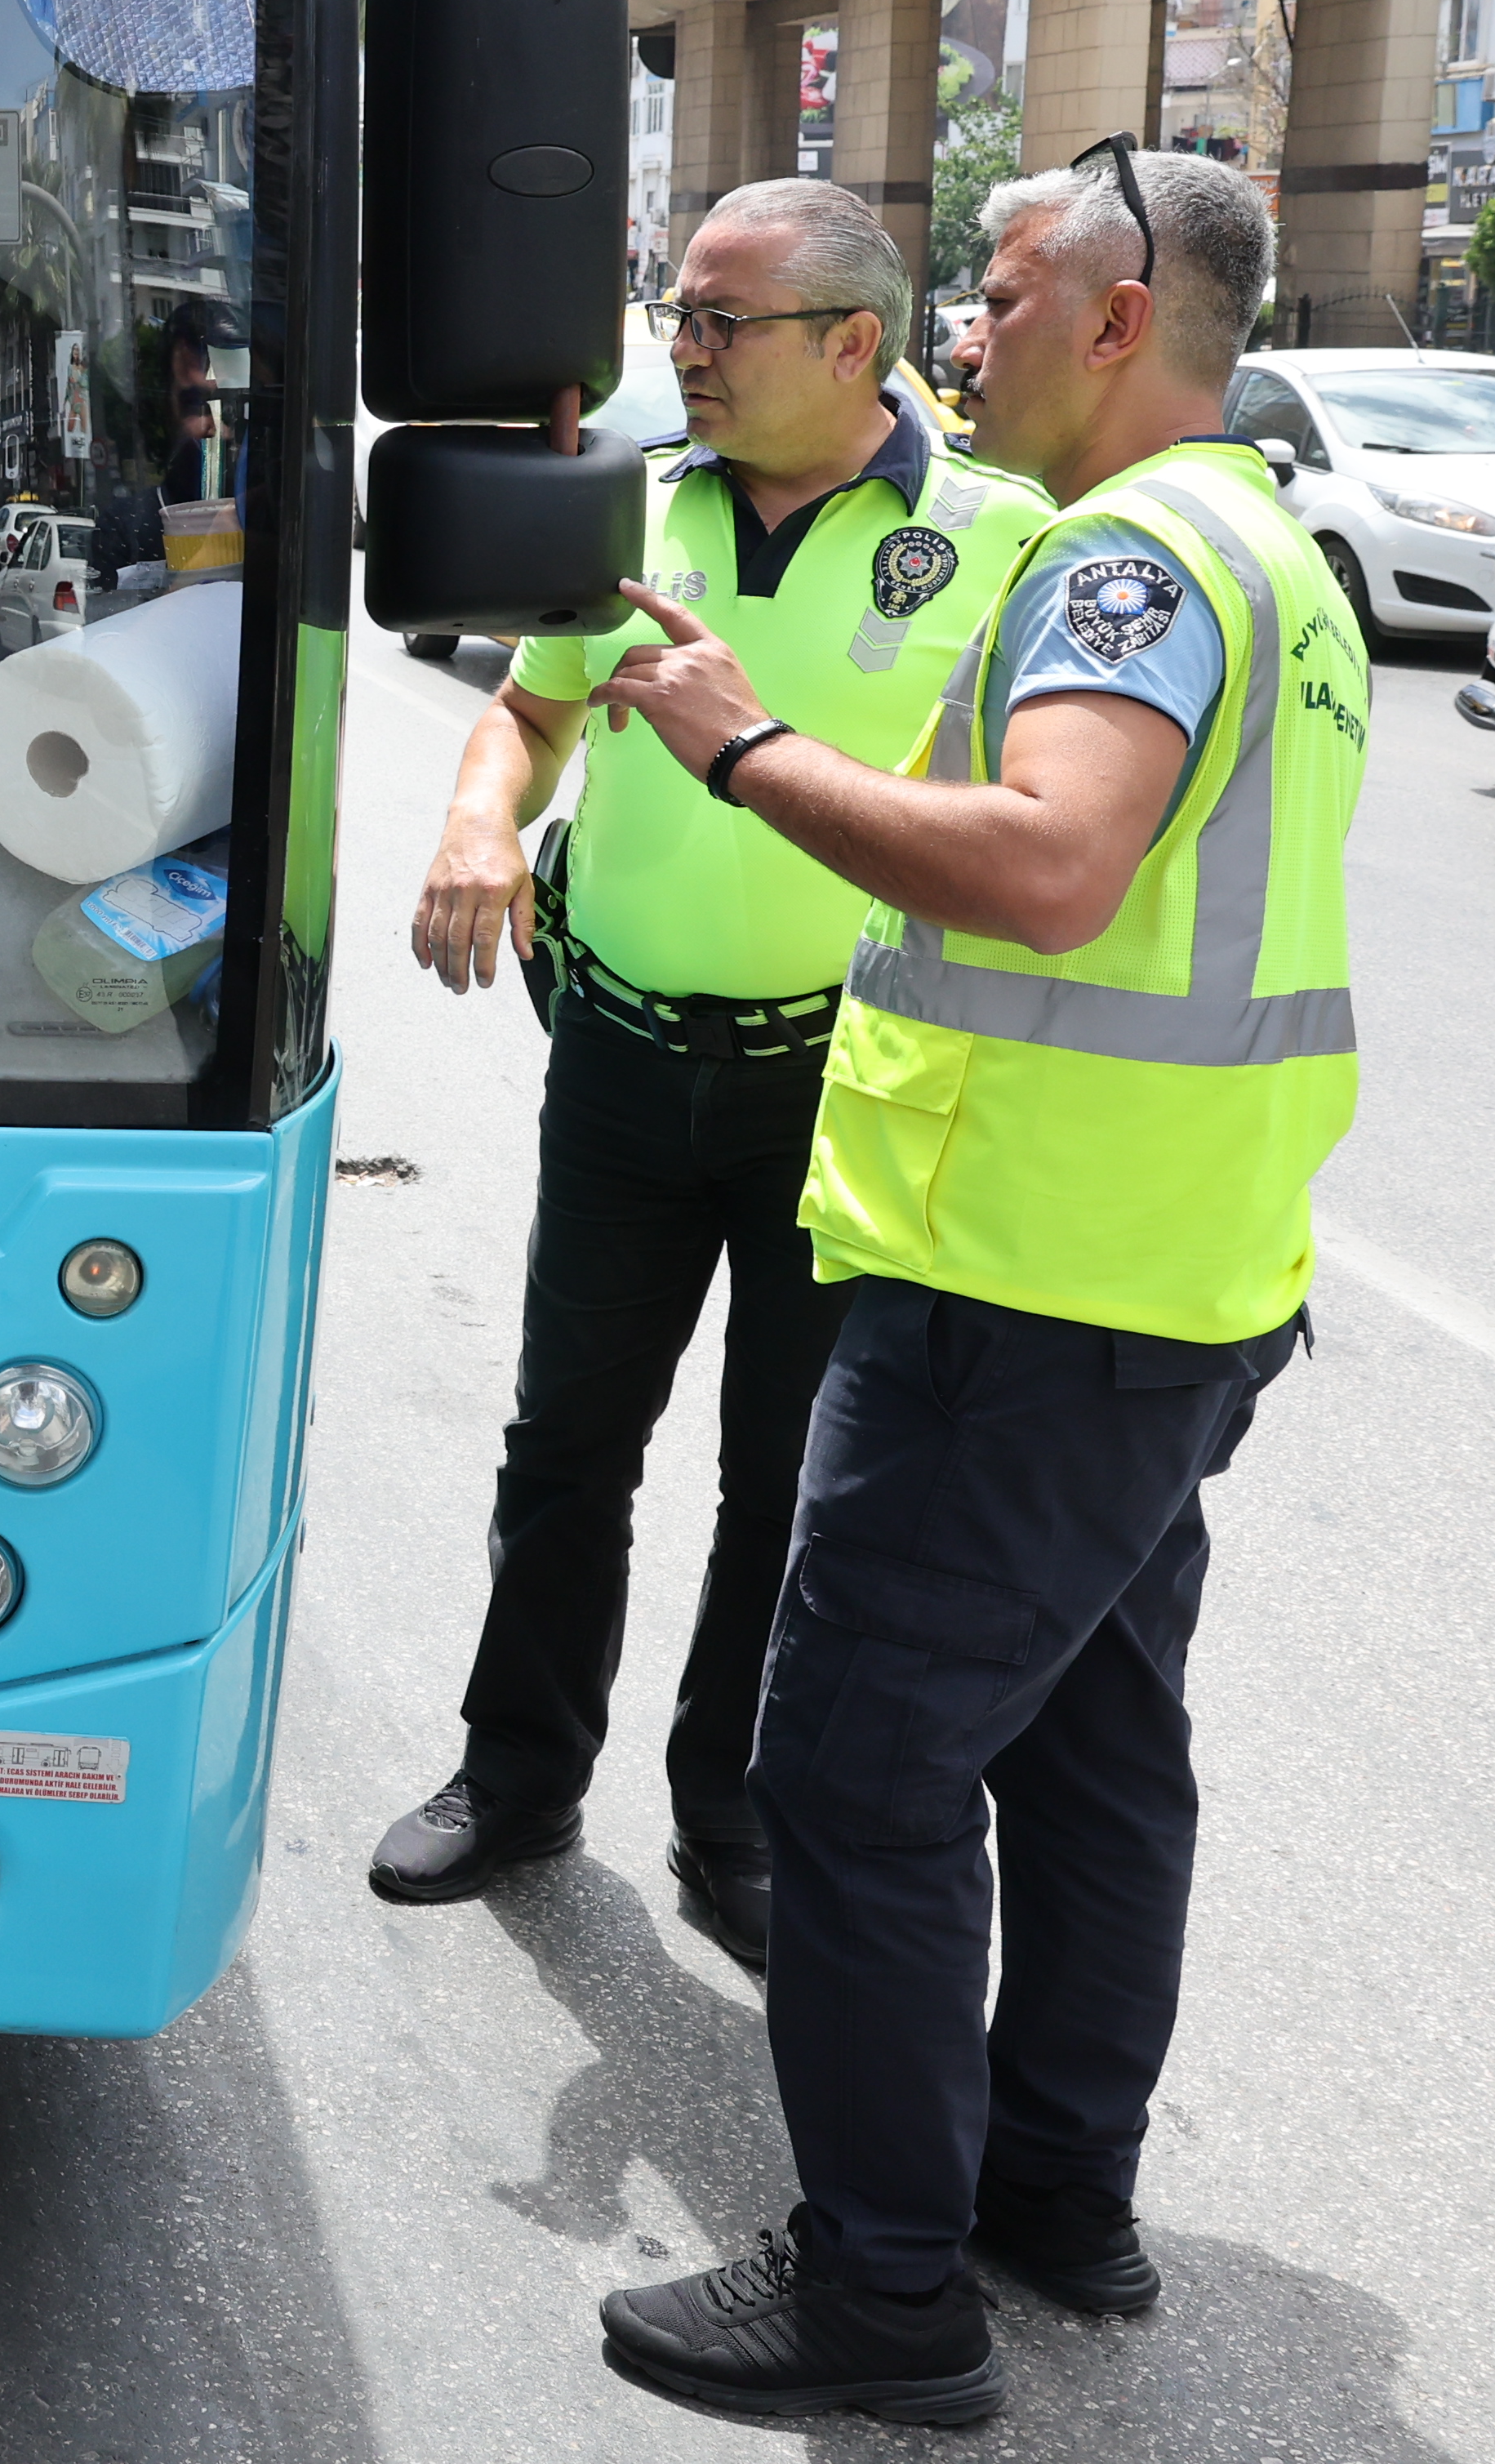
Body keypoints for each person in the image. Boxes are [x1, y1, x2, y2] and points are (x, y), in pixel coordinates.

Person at [573, 145, 1355, 2426]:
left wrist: (744, 748)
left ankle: (888, 2292)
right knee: (1100, 1753)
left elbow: (1052, 861)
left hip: (1031, 1295)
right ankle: (1050, 2192)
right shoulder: (1270, 552)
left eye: (1002, 295)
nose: (960, 334)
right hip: (1170, 1272)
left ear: (1120, 319)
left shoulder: (1128, 560)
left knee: (859, 1768)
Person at [373, 180, 1043, 1974]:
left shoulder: (997, 536)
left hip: (839, 1083)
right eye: (676, 311)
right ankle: (518, 1770)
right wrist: (473, 828)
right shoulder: (634, 512)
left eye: (716, 319)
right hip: (618, 1053)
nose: (680, 345)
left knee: (788, 1474)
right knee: (566, 1437)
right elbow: (526, 713)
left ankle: (730, 1806)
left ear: (853, 342)